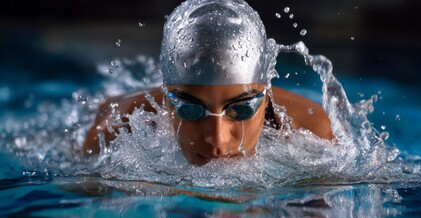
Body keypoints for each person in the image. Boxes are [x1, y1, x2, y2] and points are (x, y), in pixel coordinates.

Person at [83, 0, 333, 166]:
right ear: (167, 100)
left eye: (241, 109)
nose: (217, 141)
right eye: (189, 110)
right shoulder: (116, 128)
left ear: (266, 96)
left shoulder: (317, 135)